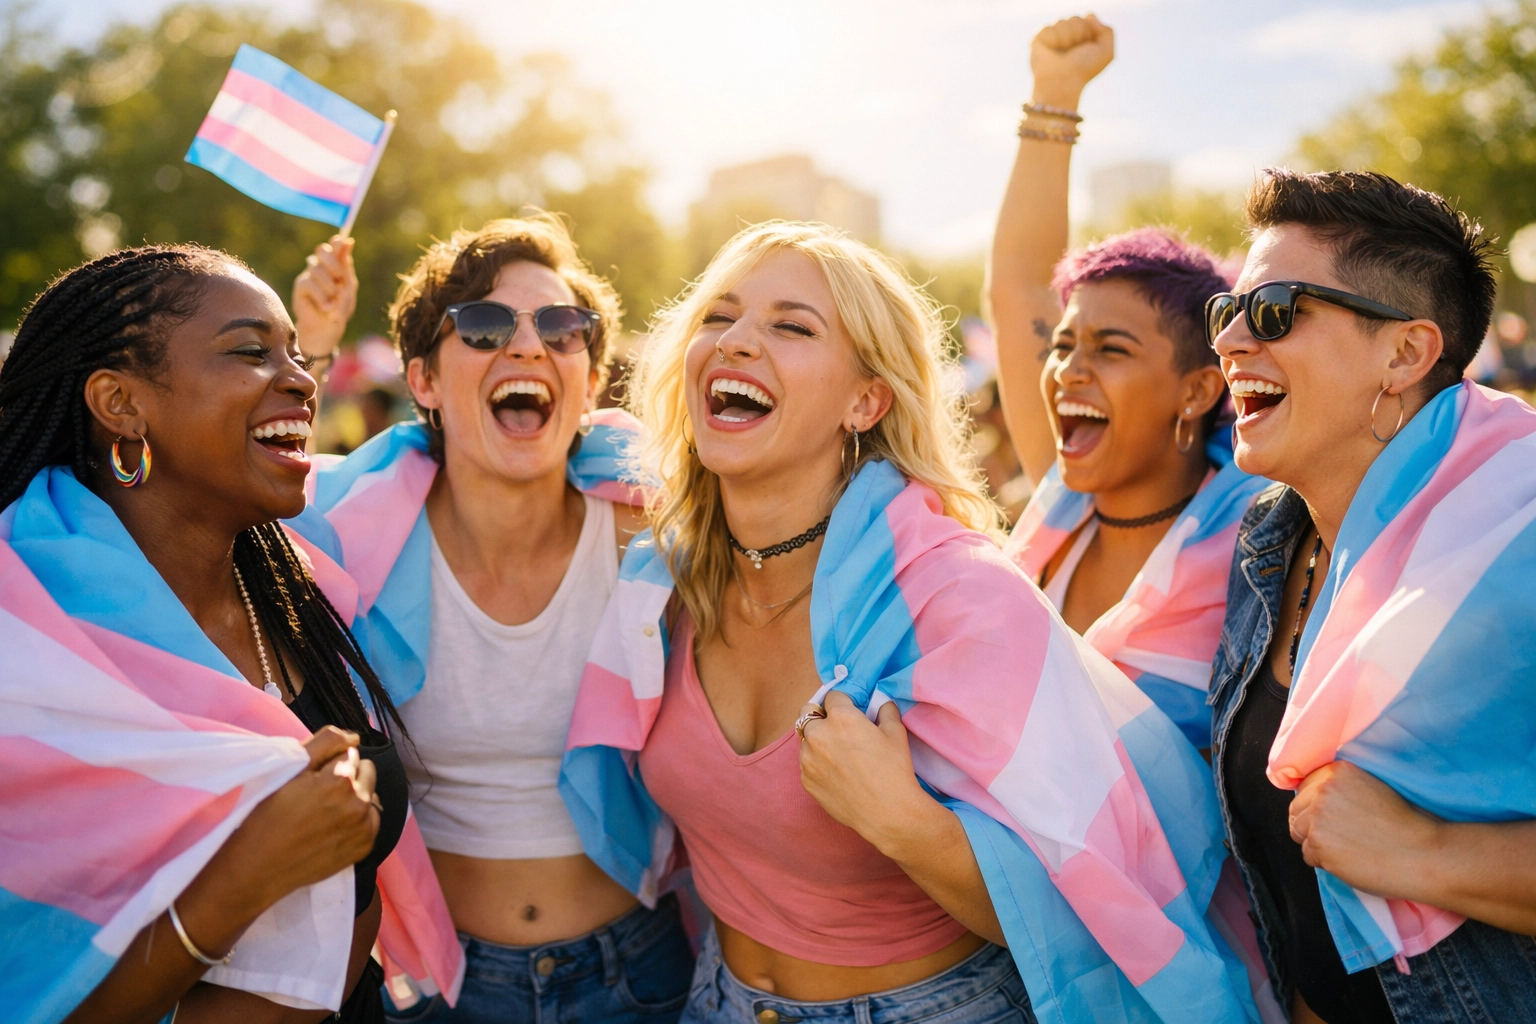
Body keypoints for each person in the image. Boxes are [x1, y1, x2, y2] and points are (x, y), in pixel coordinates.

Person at [561, 221, 1265, 1024]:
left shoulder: (961, 598)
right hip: (715, 996)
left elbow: (1095, 913)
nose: (738, 343)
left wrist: (905, 823)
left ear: (866, 400)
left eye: (791, 326)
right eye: (719, 318)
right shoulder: (658, 579)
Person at [0, 244, 460, 1024]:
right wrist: (245, 874)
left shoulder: (293, 582)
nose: (302, 378)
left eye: (296, 352)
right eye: (251, 352)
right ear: (120, 402)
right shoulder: (27, 647)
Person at [286, 215, 695, 1023]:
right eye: (481, 326)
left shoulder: (657, 536)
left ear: (590, 376)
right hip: (442, 985)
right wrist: (311, 345)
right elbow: (253, 508)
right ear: (426, 382)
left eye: (562, 326)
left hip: (639, 975)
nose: (528, 346)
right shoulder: (355, 540)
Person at [1208, 168, 1536, 1023]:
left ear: (1405, 353)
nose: (1231, 340)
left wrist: (1430, 853)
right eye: (1225, 311)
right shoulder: (1269, 543)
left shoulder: (1522, 544)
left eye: (1275, 308)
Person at [990, 14, 1267, 749]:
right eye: (1063, 342)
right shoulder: (1063, 503)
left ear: (1198, 390)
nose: (1069, 368)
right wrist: (1055, 92)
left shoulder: (1270, 549)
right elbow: (1020, 289)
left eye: (1111, 348)